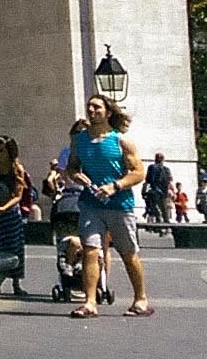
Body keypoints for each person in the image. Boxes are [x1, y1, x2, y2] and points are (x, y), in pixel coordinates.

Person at [64, 93, 149, 318]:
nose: (92, 111)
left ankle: (140, 299)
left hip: (120, 204)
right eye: (89, 107)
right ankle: (90, 302)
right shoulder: (79, 140)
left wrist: (116, 186)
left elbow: (139, 172)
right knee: (91, 251)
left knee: (127, 253)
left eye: (97, 108)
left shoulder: (121, 141)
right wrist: (76, 176)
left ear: (108, 112)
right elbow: (72, 167)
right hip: (91, 203)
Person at [0, 137, 33, 297]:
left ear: (9, 151)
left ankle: (16, 283)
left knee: (14, 247)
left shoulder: (16, 168)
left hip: (11, 213)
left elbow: (18, 195)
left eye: (1, 151)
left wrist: (3, 208)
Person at [143, 154, 175, 225]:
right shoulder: (166, 169)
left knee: (154, 206)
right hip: (163, 191)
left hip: (155, 190)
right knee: (163, 207)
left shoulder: (152, 167)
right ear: (163, 160)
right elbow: (169, 180)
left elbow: (149, 179)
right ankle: (166, 221)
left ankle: (158, 219)